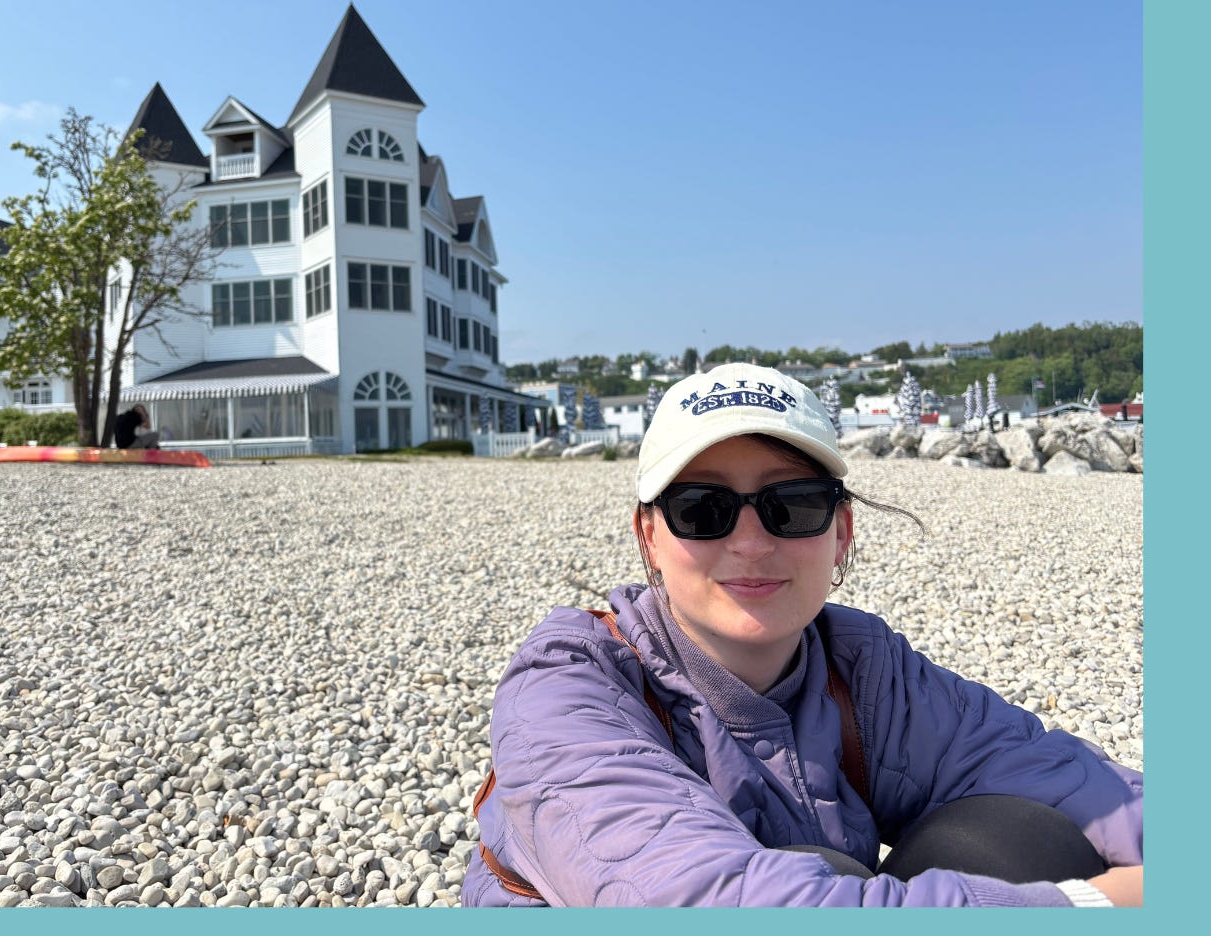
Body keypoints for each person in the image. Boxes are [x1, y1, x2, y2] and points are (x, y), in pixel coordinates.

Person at [463, 363, 1142, 908]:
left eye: (794, 505)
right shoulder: (567, 688)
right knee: (813, 870)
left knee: (1018, 838)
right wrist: (1085, 906)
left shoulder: (862, 670)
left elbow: (1070, 778)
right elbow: (699, 898)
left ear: (840, 530)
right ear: (650, 535)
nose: (752, 544)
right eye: (704, 510)